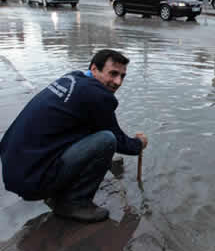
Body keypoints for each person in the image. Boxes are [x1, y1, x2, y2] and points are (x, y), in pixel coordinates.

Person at [0, 49, 148, 223]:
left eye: (122, 76)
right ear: (94, 69)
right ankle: (73, 203)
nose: (118, 82)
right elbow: (120, 142)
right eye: (113, 74)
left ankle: (57, 189)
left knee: (88, 129)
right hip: (32, 181)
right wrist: (139, 144)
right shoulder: (99, 96)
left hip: (14, 171)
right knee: (106, 140)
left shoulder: (73, 78)